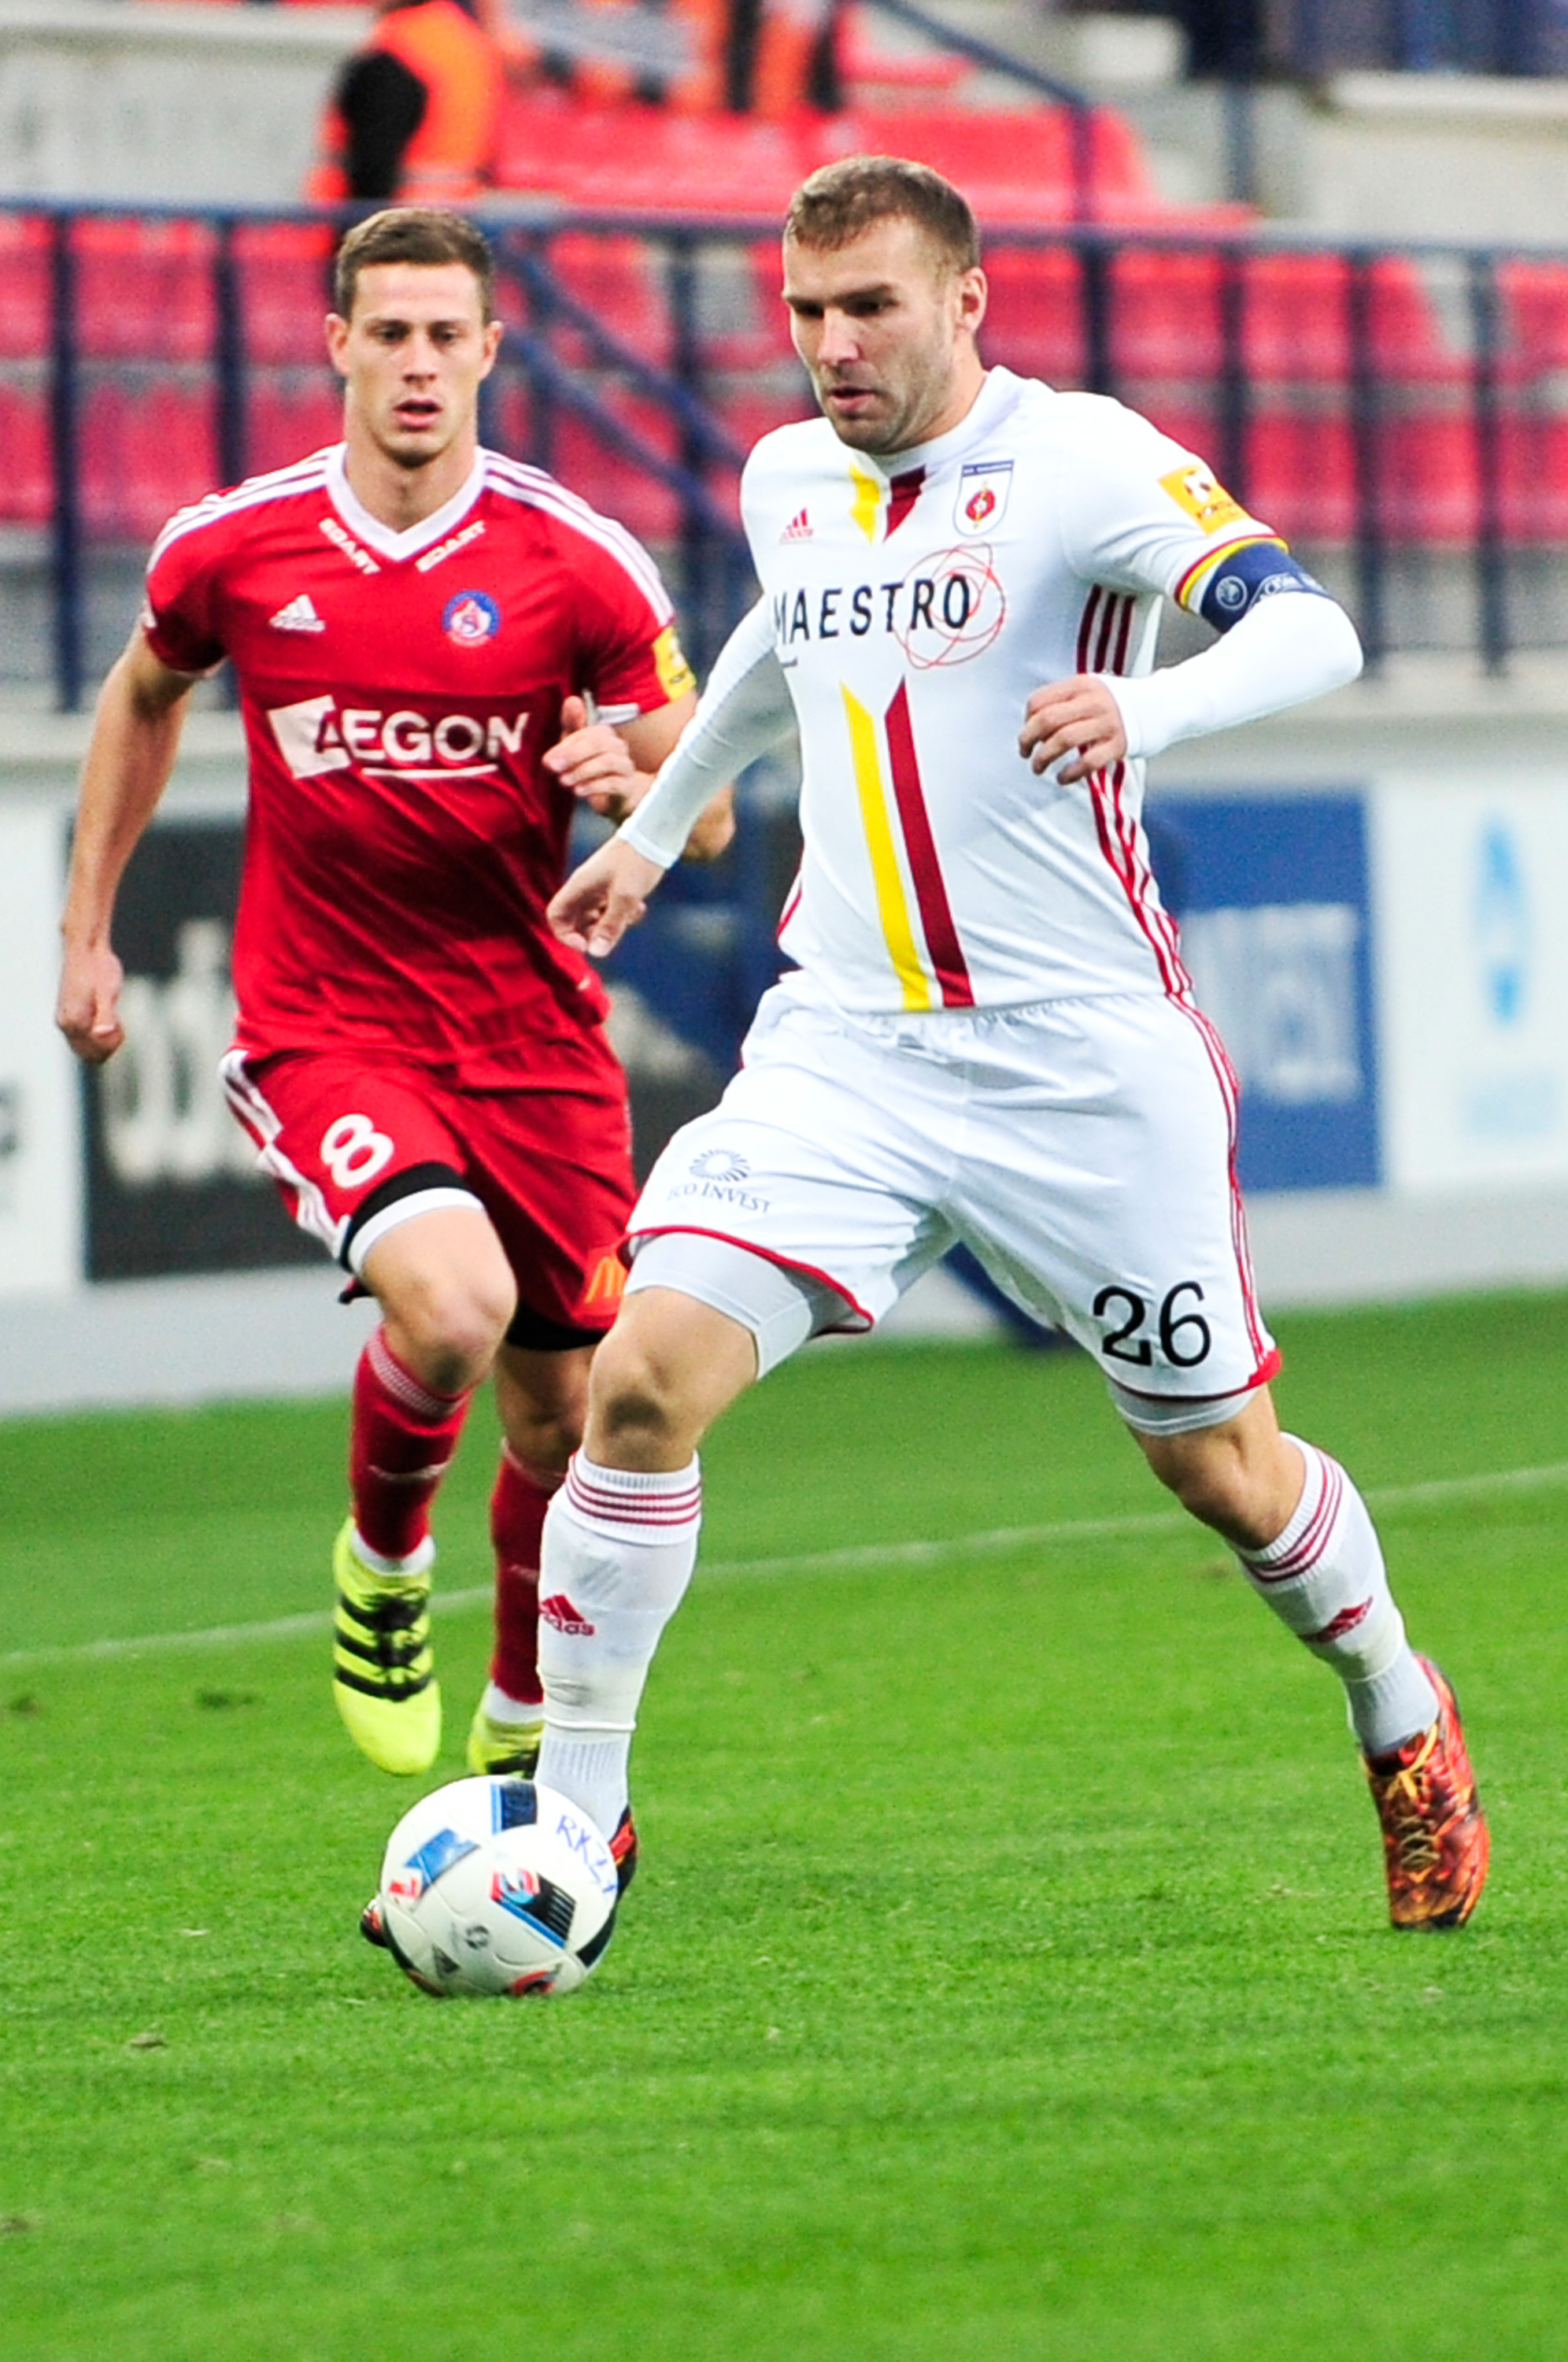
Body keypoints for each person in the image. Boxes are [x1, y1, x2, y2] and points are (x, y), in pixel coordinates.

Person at [537, 156, 1488, 1935]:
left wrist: (1147, 702)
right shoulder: (784, 478)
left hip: (1083, 1059)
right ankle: (573, 1833)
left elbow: (1315, 628)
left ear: (964, 301)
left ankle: (1396, 1708)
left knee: (1219, 1468)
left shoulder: (1082, 463)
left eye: (868, 307)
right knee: (641, 1377)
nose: (830, 345)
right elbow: (777, 647)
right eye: (805, 311)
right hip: (848, 1044)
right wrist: (656, 833)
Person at [56, 205, 732, 1834]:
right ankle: (380, 1562)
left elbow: (704, 813)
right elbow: (142, 695)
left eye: (447, 336)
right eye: (390, 334)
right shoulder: (235, 546)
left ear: (491, 351)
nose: (418, 365)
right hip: (326, 1024)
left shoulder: (578, 560)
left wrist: (630, 783)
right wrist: (85, 934)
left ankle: (518, 1720)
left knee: (565, 1417)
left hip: (533, 1041)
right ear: (338, 347)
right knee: (451, 1309)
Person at [308, 0, 505, 205]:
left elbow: (373, 170)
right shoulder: (464, 39)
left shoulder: (395, 53)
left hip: (391, 217)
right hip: (454, 214)